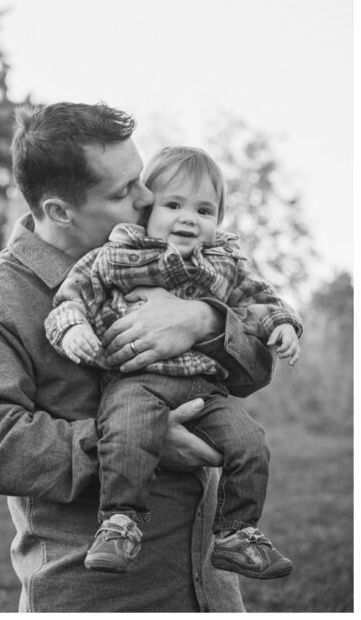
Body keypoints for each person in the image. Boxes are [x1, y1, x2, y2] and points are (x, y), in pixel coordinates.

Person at [0, 102, 276, 612]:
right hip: (99, 594)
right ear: (59, 211)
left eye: (140, 179)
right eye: (123, 192)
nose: (147, 198)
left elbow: (255, 370)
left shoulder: (178, 262)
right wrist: (139, 440)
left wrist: (204, 320)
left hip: (212, 589)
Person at [45, 146, 302, 578]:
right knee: (127, 433)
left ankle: (236, 534)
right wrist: (74, 330)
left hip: (205, 390)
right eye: (174, 205)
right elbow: (71, 297)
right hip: (136, 381)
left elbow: (261, 301)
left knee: (250, 441)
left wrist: (283, 325)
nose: (189, 218)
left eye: (204, 210)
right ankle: (119, 523)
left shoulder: (226, 264)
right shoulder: (117, 254)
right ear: (147, 210)